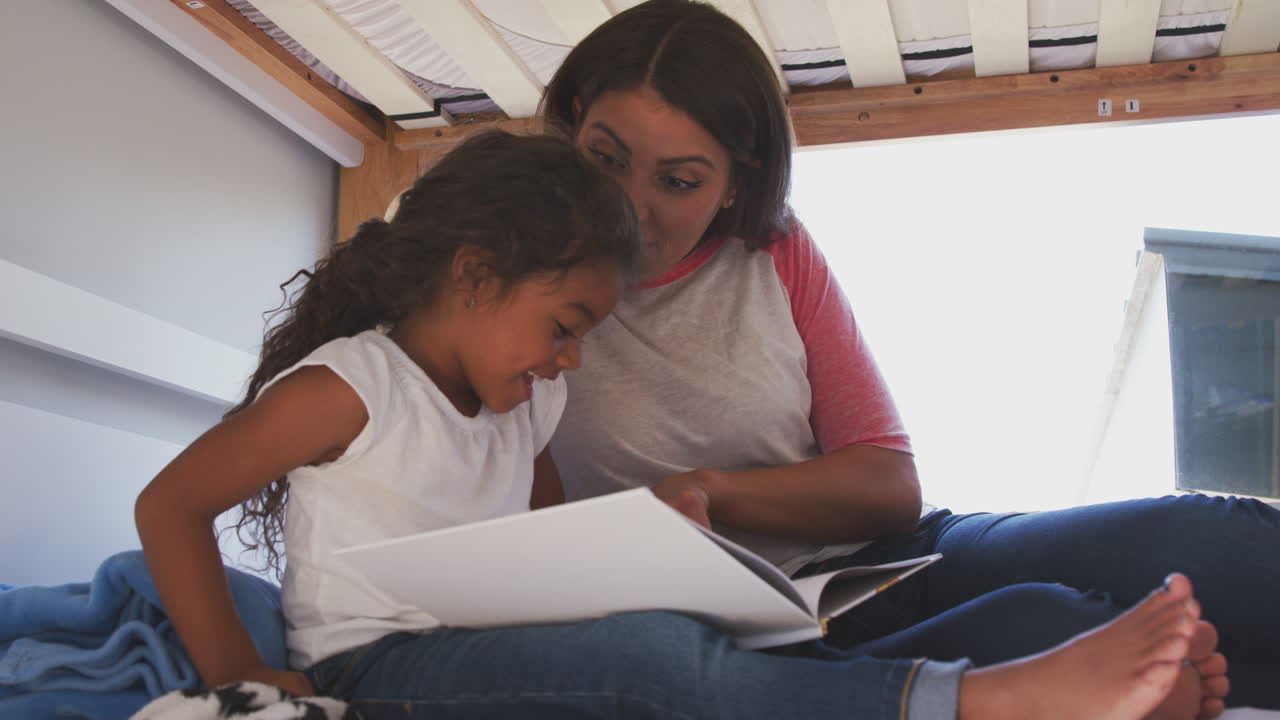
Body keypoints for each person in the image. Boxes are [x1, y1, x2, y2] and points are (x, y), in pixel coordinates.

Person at [133, 132, 1220, 720]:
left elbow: (539, 546)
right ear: (472, 276)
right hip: (377, 668)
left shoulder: (533, 398)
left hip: (484, 644)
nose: (567, 361)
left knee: (694, 637)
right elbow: (170, 502)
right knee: (652, 659)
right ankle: (989, 704)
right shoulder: (349, 389)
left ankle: (1018, 663)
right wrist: (241, 674)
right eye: (561, 327)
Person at [541, 0, 1278, 714]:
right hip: (759, 633)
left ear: (738, 179)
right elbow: (539, 546)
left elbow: (888, 485)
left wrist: (710, 491)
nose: (628, 206)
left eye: (678, 182)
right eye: (606, 158)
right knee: (1049, 624)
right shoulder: (518, 277)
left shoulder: (775, 253)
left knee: (1203, 532)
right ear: (573, 120)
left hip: (894, 553)